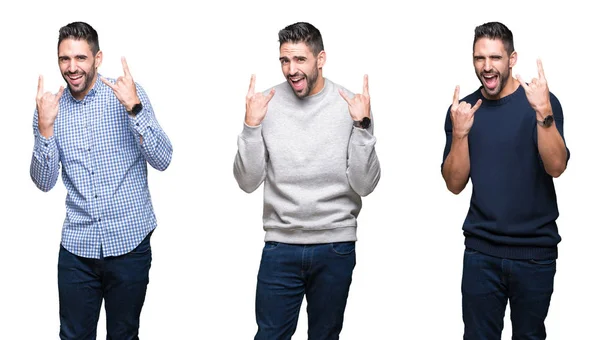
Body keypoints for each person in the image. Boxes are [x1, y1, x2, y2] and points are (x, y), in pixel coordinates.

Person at [233, 22, 381, 339]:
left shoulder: (352, 105)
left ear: (320, 58)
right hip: (281, 245)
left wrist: (363, 126)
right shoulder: (264, 105)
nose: (291, 69)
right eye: (285, 61)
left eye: (300, 60)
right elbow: (247, 181)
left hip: (335, 245)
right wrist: (250, 127)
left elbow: (365, 185)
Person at [30, 21, 172, 339]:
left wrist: (135, 109)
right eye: (65, 59)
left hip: (129, 244)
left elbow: (163, 159)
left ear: (98, 58)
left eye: (81, 58)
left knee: (123, 335)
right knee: (73, 335)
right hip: (77, 249)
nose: (72, 67)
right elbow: (43, 182)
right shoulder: (49, 109)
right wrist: (45, 130)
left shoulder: (127, 96)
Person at [441, 21, 570, 339]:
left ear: (512, 59)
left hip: (535, 253)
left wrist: (543, 113)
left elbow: (556, 166)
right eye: (479, 58)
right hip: (481, 253)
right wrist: (459, 135)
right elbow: (455, 184)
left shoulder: (540, 103)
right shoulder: (463, 111)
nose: (486, 67)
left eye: (495, 58)